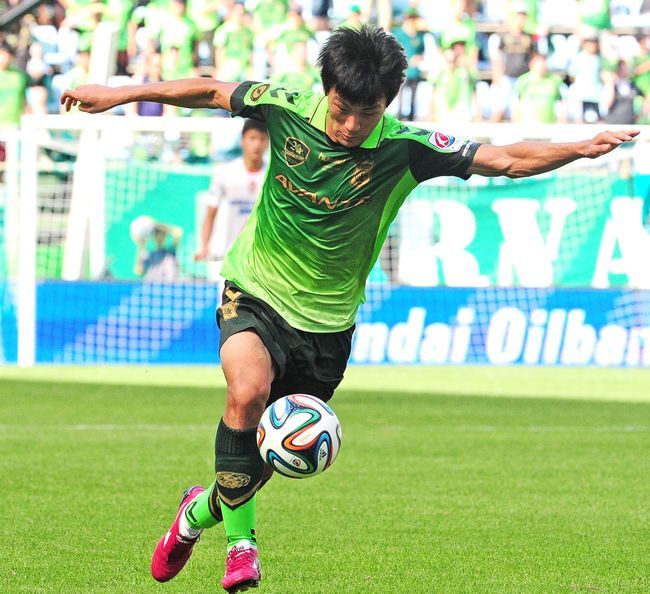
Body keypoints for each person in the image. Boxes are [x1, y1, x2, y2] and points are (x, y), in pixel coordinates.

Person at [61, 24, 639, 593]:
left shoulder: (407, 148)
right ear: (326, 91)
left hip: (328, 327)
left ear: (388, 104)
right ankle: (242, 548)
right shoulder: (284, 107)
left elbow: (507, 159)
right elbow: (211, 90)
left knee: (261, 462)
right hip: (255, 290)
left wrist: (579, 148)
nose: (352, 125)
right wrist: (119, 94)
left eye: (368, 113)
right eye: (342, 110)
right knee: (247, 392)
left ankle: (193, 516)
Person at [194, 119, 269, 282]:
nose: (257, 144)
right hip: (229, 258)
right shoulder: (225, 173)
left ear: (268, 142)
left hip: (261, 260)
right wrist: (204, 246)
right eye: (252, 138)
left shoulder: (273, 176)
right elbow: (210, 212)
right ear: (243, 141)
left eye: (262, 139)